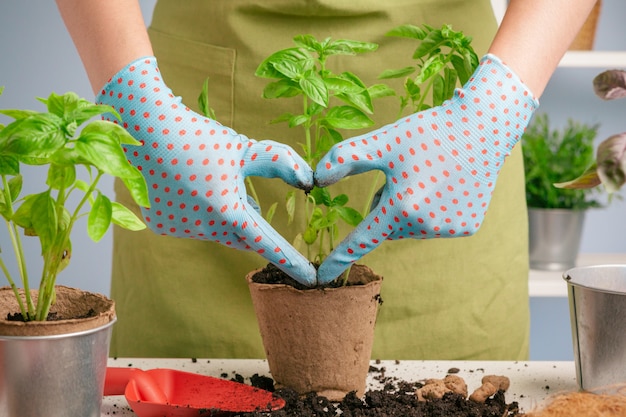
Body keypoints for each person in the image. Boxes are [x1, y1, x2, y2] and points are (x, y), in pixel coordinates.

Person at [55, 0, 598, 360]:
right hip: (183, 119)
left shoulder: (475, 118)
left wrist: (491, 113)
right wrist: (140, 108)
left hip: (457, 117)